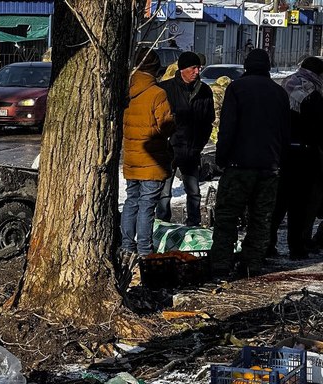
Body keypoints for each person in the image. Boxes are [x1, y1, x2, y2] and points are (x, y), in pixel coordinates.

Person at [210, 49, 290, 278]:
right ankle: (252, 263)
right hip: (269, 167)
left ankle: (221, 263)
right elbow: (285, 133)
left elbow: (227, 128)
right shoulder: (279, 93)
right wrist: (280, 161)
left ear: (246, 65)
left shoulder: (236, 89)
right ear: (268, 66)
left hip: (238, 165)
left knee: (227, 217)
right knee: (261, 218)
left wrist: (222, 158)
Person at [118, 48, 175, 285]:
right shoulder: (157, 94)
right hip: (152, 159)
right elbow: (167, 125)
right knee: (147, 205)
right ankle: (144, 250)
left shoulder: (126, 92)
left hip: (132, 158)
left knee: (132, 200)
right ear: (155, 69)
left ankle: (126, 247)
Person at [268, 56, 323, 260]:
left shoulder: (285, 84)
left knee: (278, 202)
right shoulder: (313, 93)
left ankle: (268, 244)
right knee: (298, 204)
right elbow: (317, 127)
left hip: (281, 152)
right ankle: (296, 248)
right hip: (303, 153)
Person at [156, 51, 215, 227]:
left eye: (199, 68)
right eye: (193, 68)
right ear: (182, 69)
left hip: (192, 150)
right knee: (164, 193)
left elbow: (208, 121)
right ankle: (162, 225)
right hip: (169, 151)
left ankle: (193, 225)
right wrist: (165, 143)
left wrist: (199, 144)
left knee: (194, 192)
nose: (197, 72)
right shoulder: (166, 89)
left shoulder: (204, 91)